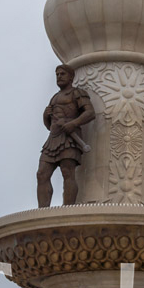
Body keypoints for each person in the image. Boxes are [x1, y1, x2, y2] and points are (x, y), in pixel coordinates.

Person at [37, 65, 95, 208]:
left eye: (62, 74)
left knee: (67, 172)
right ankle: (42, 210)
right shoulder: (55, 97)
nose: (59, 76)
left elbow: (90, 113)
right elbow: (49, 125)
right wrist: (45, 116)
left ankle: (68, 208)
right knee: (41, 174)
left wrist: (73, 123)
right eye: (57, 74)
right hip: (53, 139)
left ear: (71, 77)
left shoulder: (77, 93)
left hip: (70, 139)